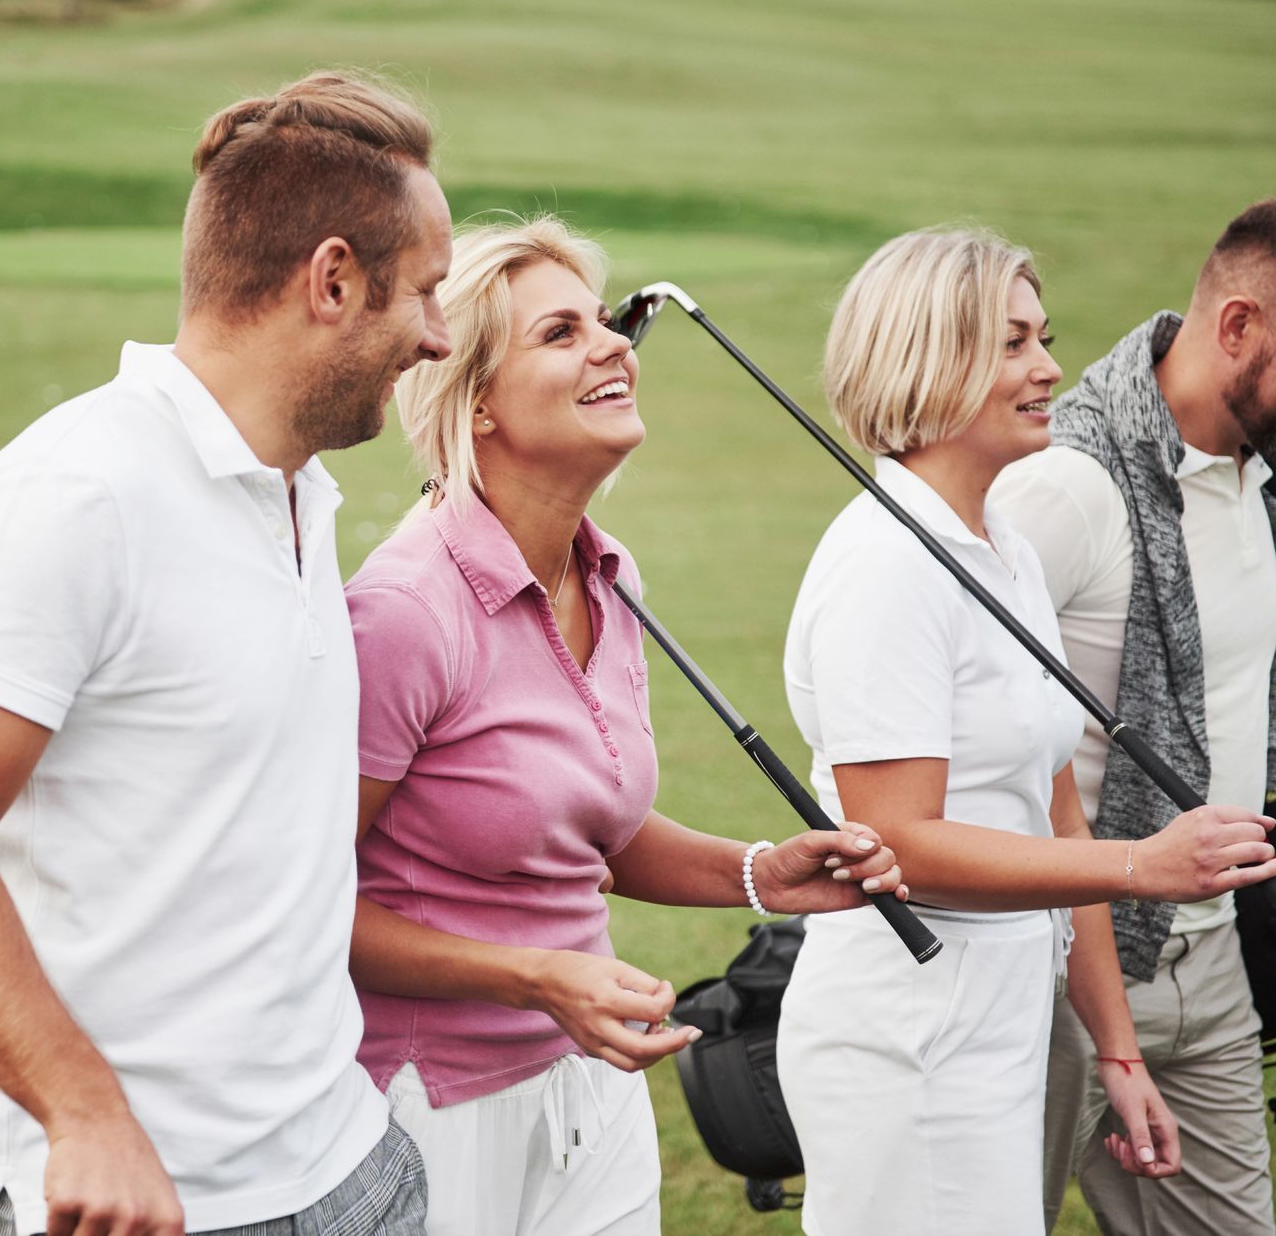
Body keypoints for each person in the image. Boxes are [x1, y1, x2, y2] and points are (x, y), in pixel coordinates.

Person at [0, 71, 455, 1236]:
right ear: (331, 280)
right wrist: (86, 1113)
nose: (437, 335)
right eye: (423, 292)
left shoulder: (299, 489)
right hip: (123, 1201)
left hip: (343, 1168)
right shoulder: (76, 496)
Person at [343, 216, 911, 1236]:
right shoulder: (403, 612)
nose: (612, 344)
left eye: (605, 322)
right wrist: (535, 977)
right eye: (561, 333)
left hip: (590, 1078)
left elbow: (590, 829)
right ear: (476, 400)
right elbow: (297, 903)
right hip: (427, 1100)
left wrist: (761, 871)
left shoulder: (610, 574)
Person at [772, 227, 1276, 1236]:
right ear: (927, 356)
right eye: (1011, 344)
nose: (1050, 366)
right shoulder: (884, 567)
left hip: (1004, 1015)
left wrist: (1119, 1051)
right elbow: (899, 847)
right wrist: (1146, 865)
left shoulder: (1000, 543)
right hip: (907, 1041)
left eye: (1042, 338)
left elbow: (1060, 812)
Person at [989, 194, 1276, 1236]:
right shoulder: (1066, 483)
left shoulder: (1251, 466)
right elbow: (954, 677)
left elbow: (1161, 644)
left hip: (1214, 955)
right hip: (1062, 968)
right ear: (1237, 326)